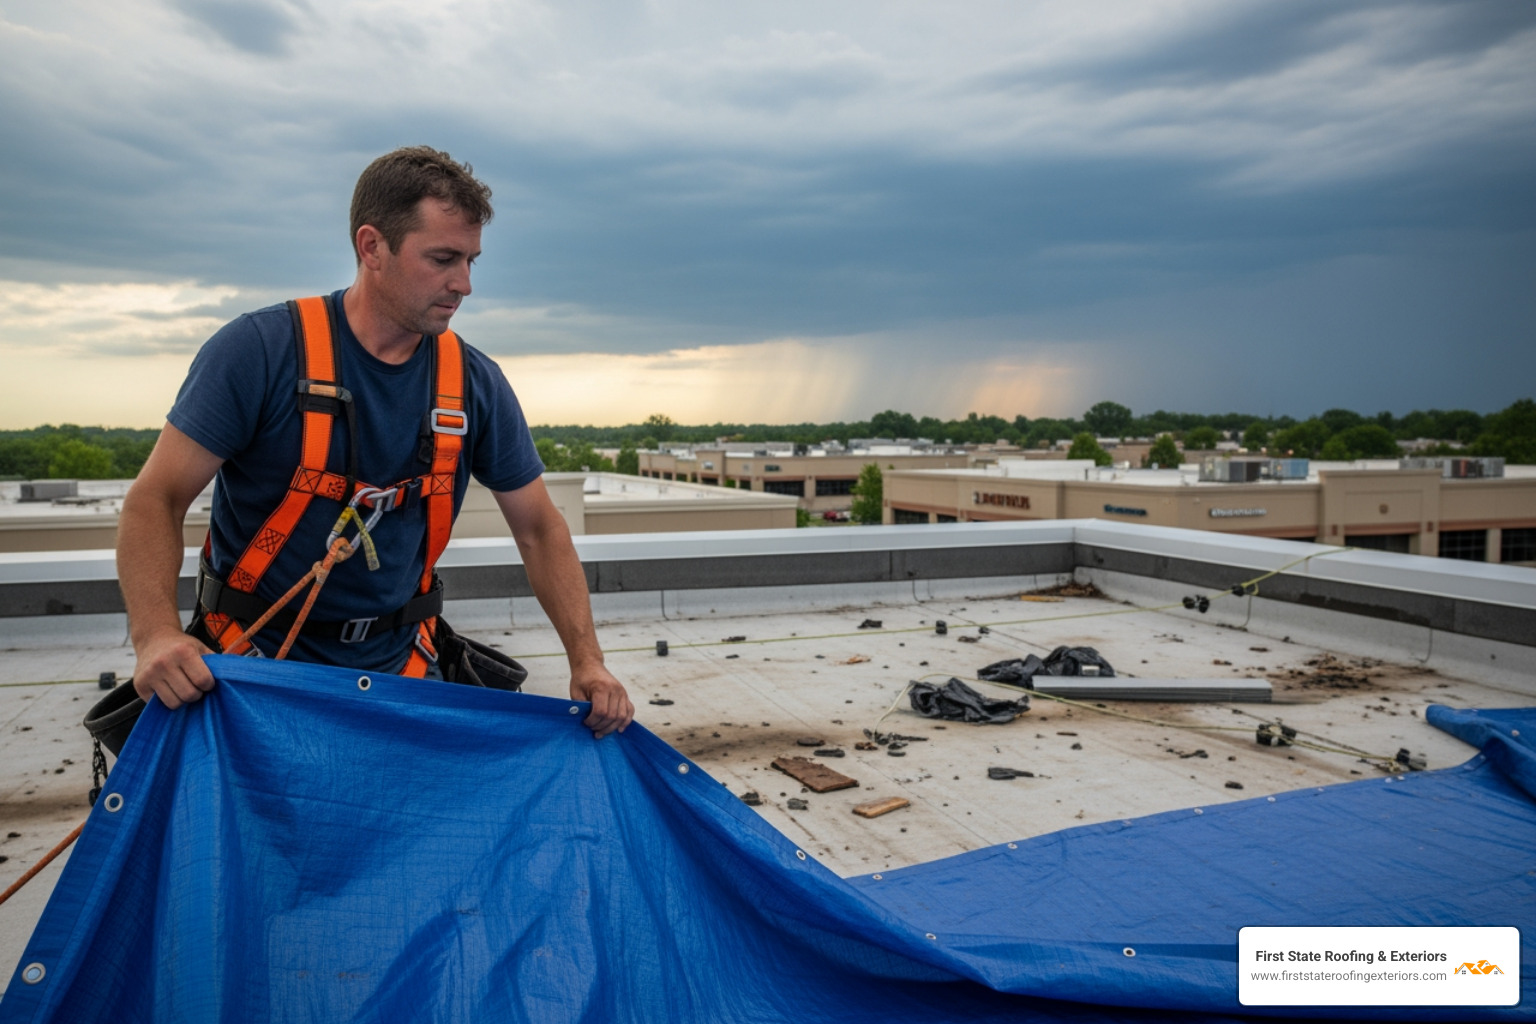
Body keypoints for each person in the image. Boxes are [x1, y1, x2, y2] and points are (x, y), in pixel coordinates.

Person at [117, 146, 633, 738]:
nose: (463, 283)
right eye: (442, 258)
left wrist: (587, 660)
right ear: (372, 247)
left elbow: (540, 528)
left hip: (401, 671)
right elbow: (154, 499)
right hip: (251, 672)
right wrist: (156, 633)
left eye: (470, 260)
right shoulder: (258, 353)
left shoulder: (471, 383)